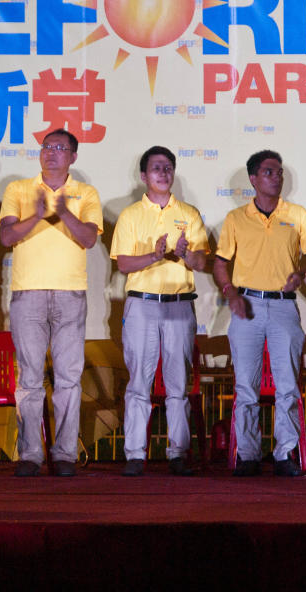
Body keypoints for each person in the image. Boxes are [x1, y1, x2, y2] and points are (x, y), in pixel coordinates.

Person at [0, 128, 102, 477]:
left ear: (73, 156)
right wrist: (39, 214)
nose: (52, 153)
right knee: (29, 377)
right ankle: (29, 454)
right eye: (47, 147)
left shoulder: (85, 193)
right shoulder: (18, 189)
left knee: (68, 378)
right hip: (28, 293)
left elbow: (89, 239)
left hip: (70, 294)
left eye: (61, 148)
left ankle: (64, 454)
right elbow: (7, 235)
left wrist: (63, 212)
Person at [213, 150, 306, 477]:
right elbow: (220, 263)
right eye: (269, 172)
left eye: (279, 172)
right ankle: (247, 453)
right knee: (246, 386)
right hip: (246, 304)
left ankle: (284, 453)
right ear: (253, 179)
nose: (276, 177)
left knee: (287, 385)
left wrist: (301, 274)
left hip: (284, 305)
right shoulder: (236, 218)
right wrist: (230, 293)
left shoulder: (297, 215)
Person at [110, 146, 209, 477]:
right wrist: (155, 256)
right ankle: (135, 454)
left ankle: (178, 452)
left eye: (168, 168)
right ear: (143, 176)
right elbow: (123, 263)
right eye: (156, 168)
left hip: (180, 304)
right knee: (139, 380)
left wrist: (183, 255)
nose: (163, 173)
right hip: (142, 304)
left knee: (178, 382)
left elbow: (202, 261)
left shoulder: (189, 214)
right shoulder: (130, 215)